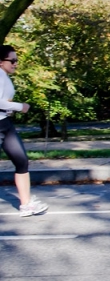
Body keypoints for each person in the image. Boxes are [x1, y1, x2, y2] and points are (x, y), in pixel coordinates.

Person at [0, 45, 48, 217]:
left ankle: (26, 204)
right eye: (12, 61)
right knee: (21, 162)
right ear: (0, 62)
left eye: (16, 61)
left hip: (5, 124)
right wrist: (21, 107)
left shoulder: (4, 76)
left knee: (21, 161)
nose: (15, 64)